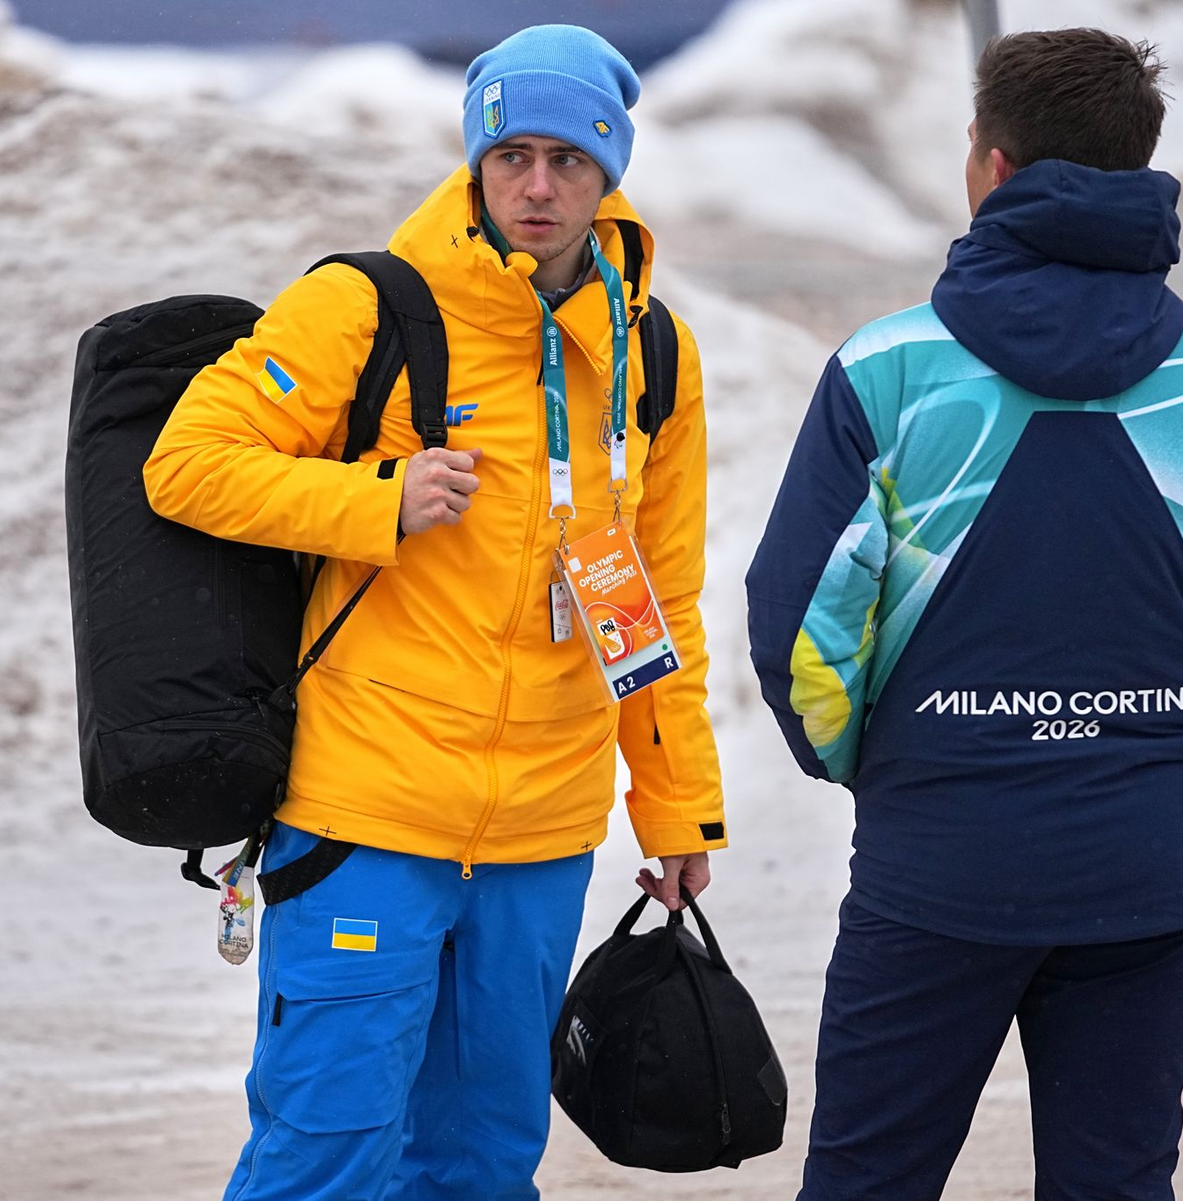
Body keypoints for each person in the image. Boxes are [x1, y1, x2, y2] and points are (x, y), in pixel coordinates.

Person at [143, 23, 725, 1201]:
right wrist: (373, 499)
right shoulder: (370, 305)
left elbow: (657, 596)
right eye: (512, 155)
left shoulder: (651, 353)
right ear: (475, 162)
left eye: (570, 158)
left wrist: (676, 808)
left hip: (543, 836)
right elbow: (186, 462)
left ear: (610, 172)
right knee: (326, 1152)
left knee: (481, 1160)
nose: (539, 185)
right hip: (370, 812)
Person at [747, 27, 1183, 1200]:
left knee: (869, 1181)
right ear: (1143, 167)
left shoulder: (889, 370)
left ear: (990, 167)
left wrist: (895, 770)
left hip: (941, 867)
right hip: (1151, 866)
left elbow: (799, 633)